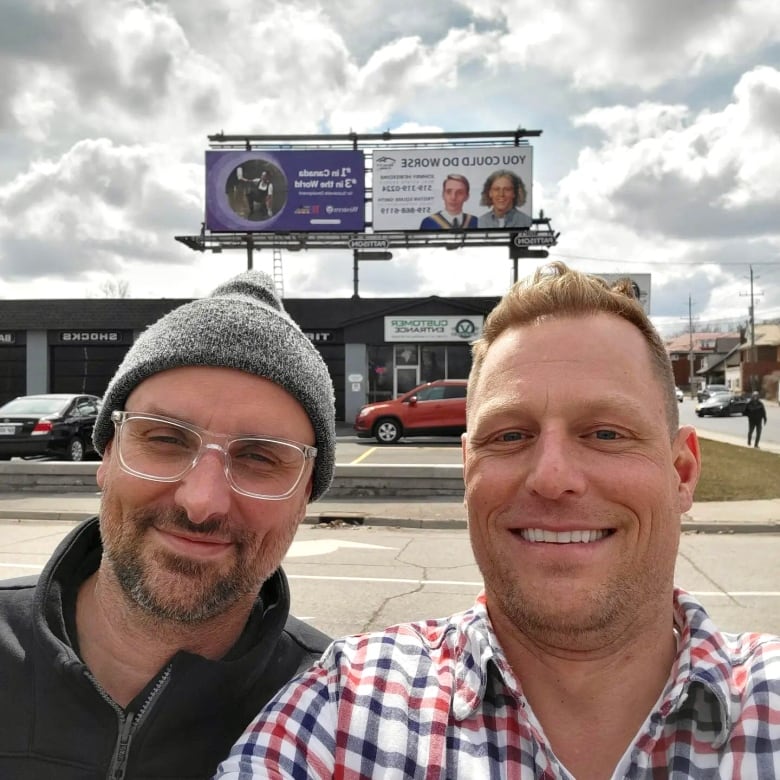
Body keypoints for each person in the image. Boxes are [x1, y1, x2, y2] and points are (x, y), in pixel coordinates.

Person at [216, 263, 780, 778]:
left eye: (605, 433)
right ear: (468, 470)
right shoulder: (342, 713)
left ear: (682, 472)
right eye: (510, 436)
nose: (551, 476)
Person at [0, 270, 337, 779]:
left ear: (305, 497)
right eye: (165, 440)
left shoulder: (342, 714)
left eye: (261, 458)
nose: (202, 502)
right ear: (106, 455)